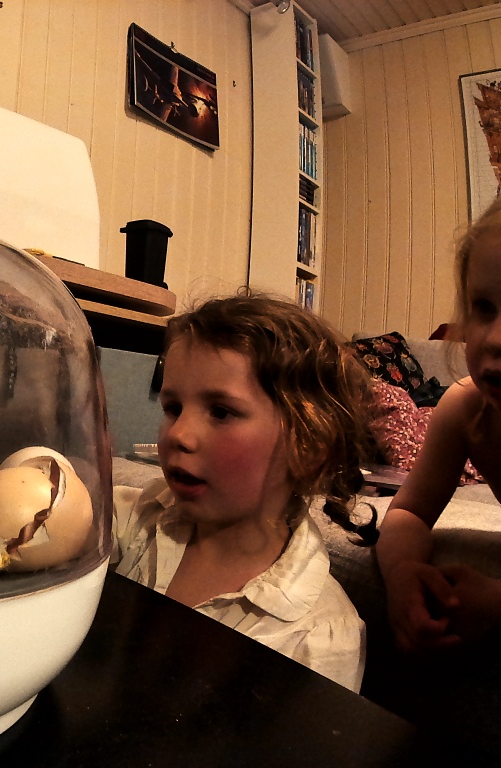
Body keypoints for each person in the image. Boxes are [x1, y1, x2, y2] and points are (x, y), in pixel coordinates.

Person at [112, 293, 376, 692]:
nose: (179, 434)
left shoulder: (321, 635)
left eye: (221, 412)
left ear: (308, 447)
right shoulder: (137, 520)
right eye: (173, 408)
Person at [377, 197, 501, 654]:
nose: (495, 338)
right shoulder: (465, 408)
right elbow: (409, 512)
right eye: (483, 307)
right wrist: (402, 572)